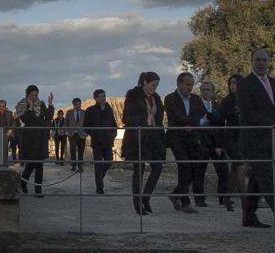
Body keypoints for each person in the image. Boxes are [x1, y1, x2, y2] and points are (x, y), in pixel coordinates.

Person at [237, 48, 275, 229]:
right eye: (258, 60)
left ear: (269, 62)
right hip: (254, 139)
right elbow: (248, 112)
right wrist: (273, 124)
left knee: (256, 180)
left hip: (270, 139)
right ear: (252, 62)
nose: (261, 63)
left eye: (264, 60)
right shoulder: (245, 84)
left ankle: (248, 217)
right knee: (266, 178)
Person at [121, 72, 165, 215]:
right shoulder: (133, 95)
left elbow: (158, 120)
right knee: (138, 169)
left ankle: (146, 197)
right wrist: (143, 120)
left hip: (154, 138)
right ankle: (137, 203)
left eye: (157, 85)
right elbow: (126, 117)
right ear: (145, 82)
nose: (155, 88)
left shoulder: (157, 98)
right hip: (137, 138)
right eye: (153, 85)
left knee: (157, 167)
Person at [164, 72, 205, 213]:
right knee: (184, 166)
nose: (190, 87)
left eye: (192, 84)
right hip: (177, 138)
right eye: (188, 84)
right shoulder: (170, 98)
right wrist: (195, 122)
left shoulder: (196, 99)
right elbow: (177, 117)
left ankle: (176, 194)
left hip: (192, 138)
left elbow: (201, 114)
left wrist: (192, 124)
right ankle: (185, 202)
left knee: (196, 167)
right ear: (179, 84)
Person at [194, 80, 232, 210]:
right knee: (199, 172)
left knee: (223, 172)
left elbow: (222, 126)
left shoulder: (219, 106)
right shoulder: (196, 106)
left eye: (208, 89)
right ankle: (199, 199)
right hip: (202, 143)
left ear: (213, 92)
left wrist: (220, 145)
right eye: (203, 89)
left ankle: (224, 198)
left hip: (217, 144)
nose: (205, 91)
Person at [15, 84, 55, 197]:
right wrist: (30, 108)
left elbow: (48, 117)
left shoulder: (41, 104)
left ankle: (38, 190)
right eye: (32, 95)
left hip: (41, 137)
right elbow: (25, 119)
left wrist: (50, 105)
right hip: (29, 138)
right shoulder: (22, 104)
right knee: (32, 164)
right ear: (28, 95)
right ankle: (24, 182)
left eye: (36, 95)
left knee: (39, 165)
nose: (34, 97)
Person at [217, 75, 245, 212]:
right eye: (231, 83)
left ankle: (226, 198)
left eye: (236, 83)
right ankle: (247, 201)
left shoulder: (247, 99)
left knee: (235, 169)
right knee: (239, 167)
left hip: (243, 138)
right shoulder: (227, 101)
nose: (233, 86)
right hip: (231, 139)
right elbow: (220, 119)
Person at [83, 89, 118, 194]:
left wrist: (113, 134)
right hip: (97, 142)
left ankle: (100, 177)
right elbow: (86, 126)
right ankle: (99, 188)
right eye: (101, 96)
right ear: (96, 98)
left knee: (109, 161)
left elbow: (113, 123)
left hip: (108, 141)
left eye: (104, 95)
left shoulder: (109, 109)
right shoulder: (90, 110)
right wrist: (94, 134)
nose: (104, 98)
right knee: (98, 165)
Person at [65, 98, 87, 172]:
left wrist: (86, 132)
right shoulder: (69, 112)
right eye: (76, 104)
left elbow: (87, 123)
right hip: (72, 134)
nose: (78, 105)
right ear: (73, 104)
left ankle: (80, 166)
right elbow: (66, 123)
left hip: (82, 134)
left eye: (79, 104)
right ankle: (73, 166)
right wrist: (67, 132)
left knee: (81, 151)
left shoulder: (84, 112)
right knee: (73, 150)